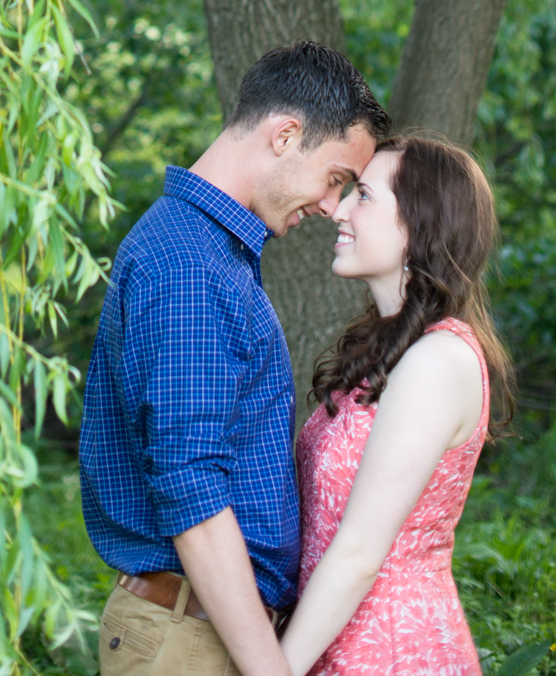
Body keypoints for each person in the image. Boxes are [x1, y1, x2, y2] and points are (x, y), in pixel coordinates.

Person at [81, 42, 391, 676]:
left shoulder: (209, 254)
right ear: (285, 135)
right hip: (189, 637)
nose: (332, 207)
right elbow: (189, 486)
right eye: (336, 179)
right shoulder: (192, 266)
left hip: (203, 628)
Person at [279, 134, 515, 676]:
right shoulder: (390, 353)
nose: (339, 209)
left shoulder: (438, 361)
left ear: (419, 224)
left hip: (390, 653)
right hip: (333, 644)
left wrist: (271, 669)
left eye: (363, 195)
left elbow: (360, 554)